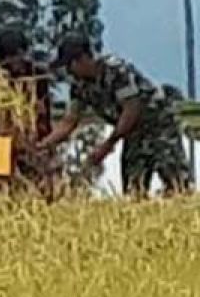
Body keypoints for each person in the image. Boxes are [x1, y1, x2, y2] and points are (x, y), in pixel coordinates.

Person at [39, 35, 192, 196]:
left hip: (159, 127)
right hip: (133, 134)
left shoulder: (116, 71)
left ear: (83, 59)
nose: (69, 71)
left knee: (178, 183)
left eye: (70, 65)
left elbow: (131, 109)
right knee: (133, 189)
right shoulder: (80, 86)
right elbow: (69, 122)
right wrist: (44, 144)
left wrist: (108, 145)